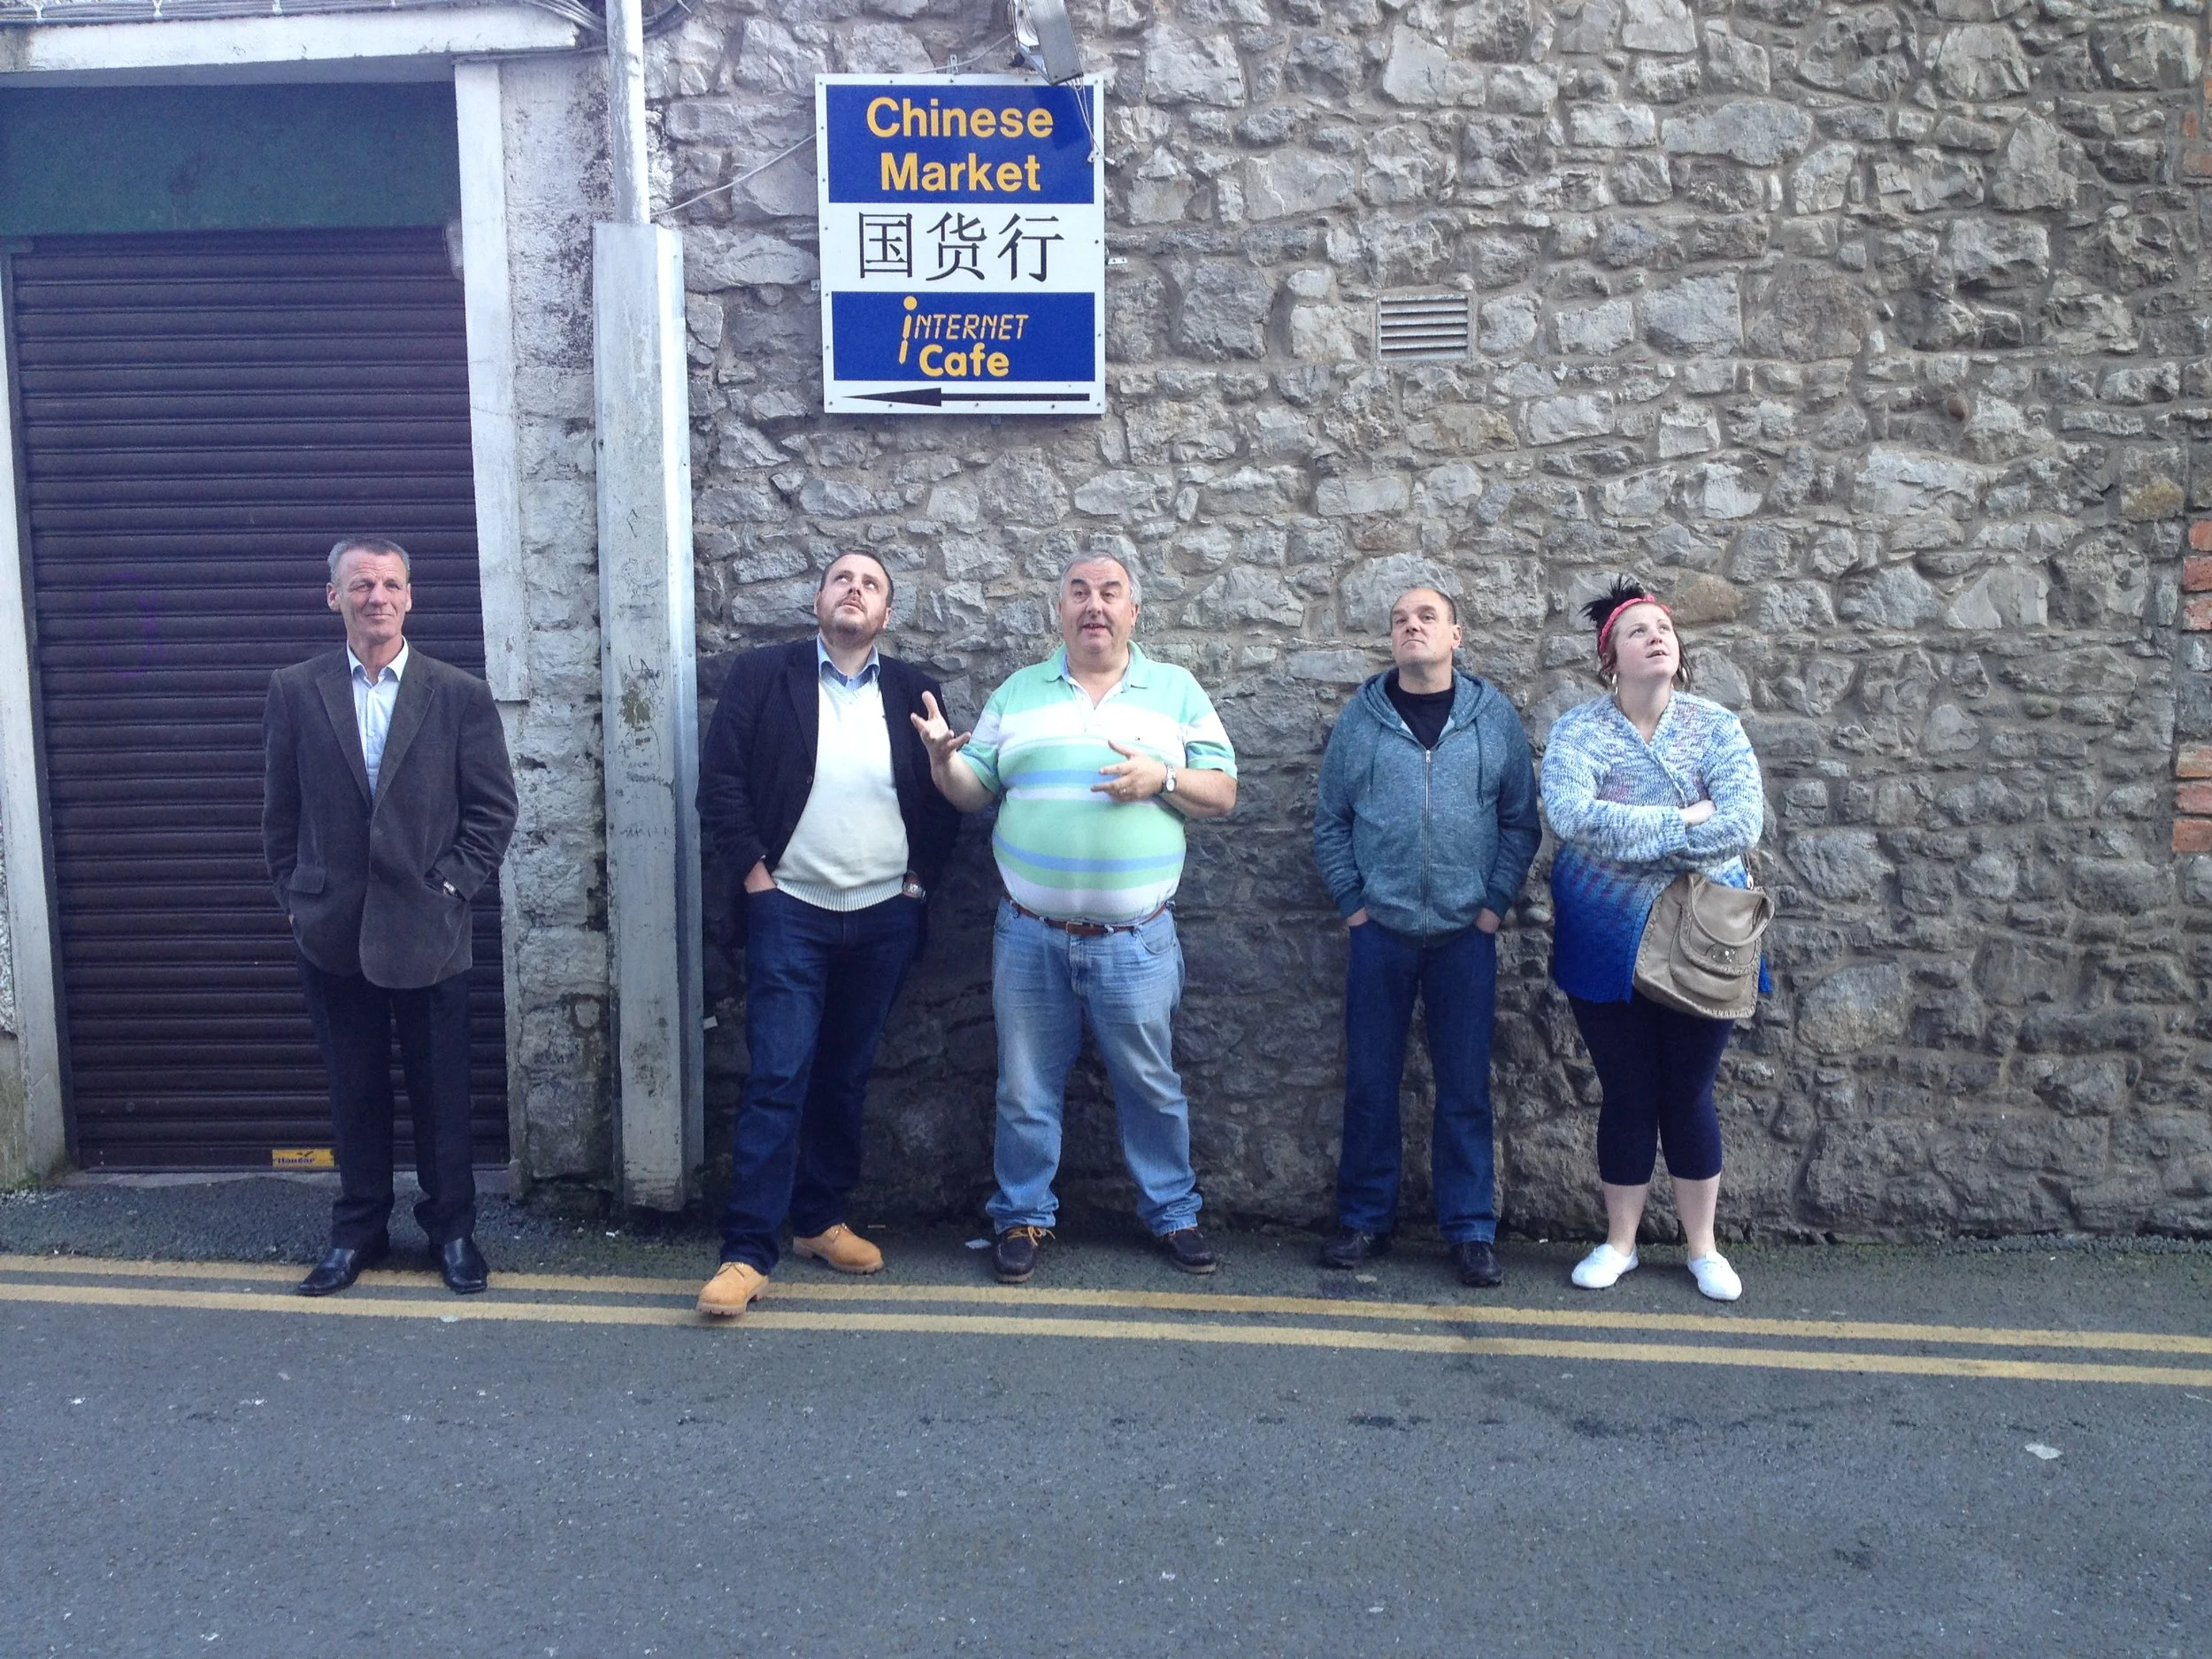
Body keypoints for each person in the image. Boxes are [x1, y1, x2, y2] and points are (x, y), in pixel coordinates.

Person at [911, 553, 1237, 1284]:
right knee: (1024, 1085)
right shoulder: (1019, 692)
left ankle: (1173, 1211)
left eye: (1110, 593)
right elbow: (974, 790)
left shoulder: (1177, 692)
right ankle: (1023, 1213)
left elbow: (1223, 791)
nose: (1095, 605)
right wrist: (941, 763)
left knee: (1151, 1083)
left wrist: (1166, 778)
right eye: (1080, 592)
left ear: (1133, 611)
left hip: (1137, 942)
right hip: (1030, 935)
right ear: (1059, 609)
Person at [691, 552, 961, 1320]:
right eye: (843, 579)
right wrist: (756, 881)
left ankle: (818, 1219)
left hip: (883, 914)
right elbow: (722, 784)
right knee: (778, 1075)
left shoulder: (916, 688)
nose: (855, 590)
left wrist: (916, 889)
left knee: (845, 1074)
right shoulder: (762, 676)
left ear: (886, 614)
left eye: (871, 584)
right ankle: (746, 1252)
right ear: (817, 601)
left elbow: (946, 798)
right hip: (792, 910)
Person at [263, 535, 517, 1297]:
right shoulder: (295, 689)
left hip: (430, 932)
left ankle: (454, 1233)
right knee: (355, 1090)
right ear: (333, 596)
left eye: (390, 584)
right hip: (334, 934)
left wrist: (452, 888)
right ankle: (359, 1231)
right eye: (360, 584)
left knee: (444, 1095)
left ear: (411, 597)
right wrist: (295, 901)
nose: (377, 596)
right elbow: (280, 815)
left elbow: (494, 809)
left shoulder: (458, 693)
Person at [1540, 576, 1766, 1302]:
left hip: (1705, 935)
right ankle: (1620, 1243)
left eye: (1663, 628)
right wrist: (1684, 821)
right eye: (1638, 630)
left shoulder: (1716, 727)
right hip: (1603, 932)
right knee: (1629, 1091)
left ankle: (1703, 1248)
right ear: (1611, 657)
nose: (1656, 636)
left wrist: (1644, 827)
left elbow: (1741, 823)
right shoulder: (1579, 730)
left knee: (1690, 1092)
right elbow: (1573, 817)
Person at [1311, 586, 1541, 1288]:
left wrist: (1492, 907)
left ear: (1456, 635)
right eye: (1401, 620)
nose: (1412, 626)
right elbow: (1329, 820)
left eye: (1426, 617)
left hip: (1464, 936)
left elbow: (1519, 820)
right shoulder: (1364, 719)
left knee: (1465, 1086)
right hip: (1380, 933)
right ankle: (1363, 1219)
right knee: (1371, 1083)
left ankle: (1470, 1228)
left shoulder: (1490, 717)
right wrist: (1355, 906)